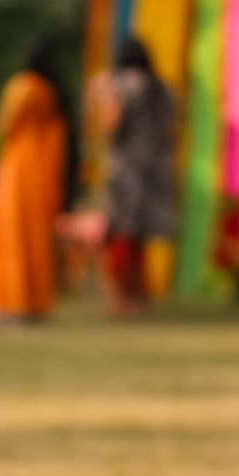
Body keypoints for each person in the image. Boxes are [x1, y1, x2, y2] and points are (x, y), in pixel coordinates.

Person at [0, 41, 72, 320]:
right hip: (43, 170)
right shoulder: (52, 93)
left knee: (12, 233)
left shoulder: (23, 86)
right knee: (36, 234)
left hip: (18, 167)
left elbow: (4, 124)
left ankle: (12, 301)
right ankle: (36, 302)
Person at [95, 35, 176, 316]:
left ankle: (121, 299)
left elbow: (111, 126)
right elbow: (172, 127)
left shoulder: (122, 86)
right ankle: (141, 298)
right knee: (139, 238)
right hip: (154, 169)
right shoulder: (162, 88)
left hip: (126, 171)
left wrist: (102, 96)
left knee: (120, 236)